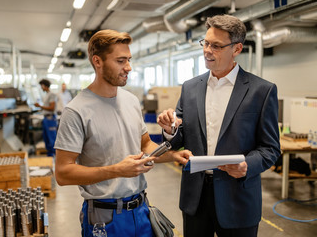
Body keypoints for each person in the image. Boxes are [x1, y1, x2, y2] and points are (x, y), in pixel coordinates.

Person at [54, 29, 191, 237]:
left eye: (128, 59)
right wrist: (117, 170)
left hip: (141, 210)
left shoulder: (131, 101)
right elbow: (63, 173)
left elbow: (145, 145)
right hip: (105, 218)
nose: (128, 67)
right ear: (97, 61)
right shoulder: (76, 111)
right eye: (120, 61)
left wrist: (173, 156)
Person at [157, 14, 280, 237]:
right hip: (196, 197)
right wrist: (170, 129)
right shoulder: (190, 87)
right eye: (205, 43)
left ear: (237, 48)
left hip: (238, 198)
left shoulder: (262, 91)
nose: (207, 50)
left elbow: (270, 149)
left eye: (216, 45)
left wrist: (246, 166)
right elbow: (180, 137)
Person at [34, 79, 58, 157]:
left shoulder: (52, 95)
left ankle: (54, 157)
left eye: (42, 86)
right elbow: (47, 107)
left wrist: (40, 106)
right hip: (46, 119)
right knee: (46, 139)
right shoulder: (46, 95)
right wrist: (40, 108)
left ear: (45, 85)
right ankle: (50, 156)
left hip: (50, 119)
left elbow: (52, 108)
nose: (41, 88)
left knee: (52, 139)